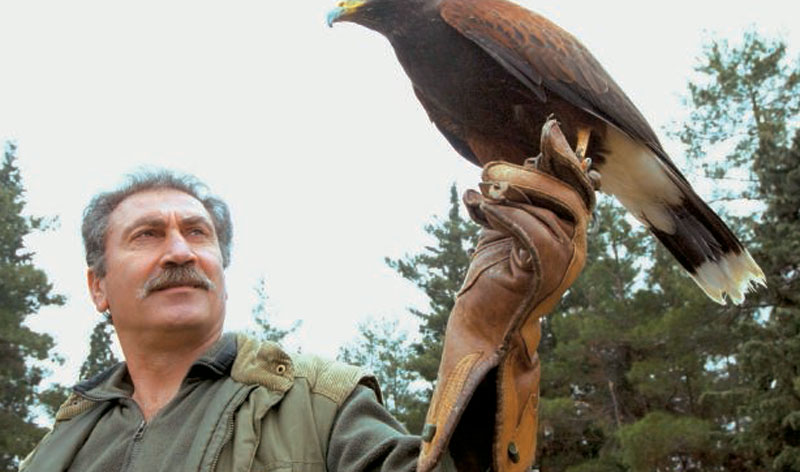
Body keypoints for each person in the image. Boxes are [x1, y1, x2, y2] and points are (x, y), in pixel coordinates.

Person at [20, 121, 596, 472]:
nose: (180, 251)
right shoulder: (59, 447)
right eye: (148, 235)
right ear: (98, 287)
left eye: (198, 233)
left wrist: (493, 331)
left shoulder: (320, 406)